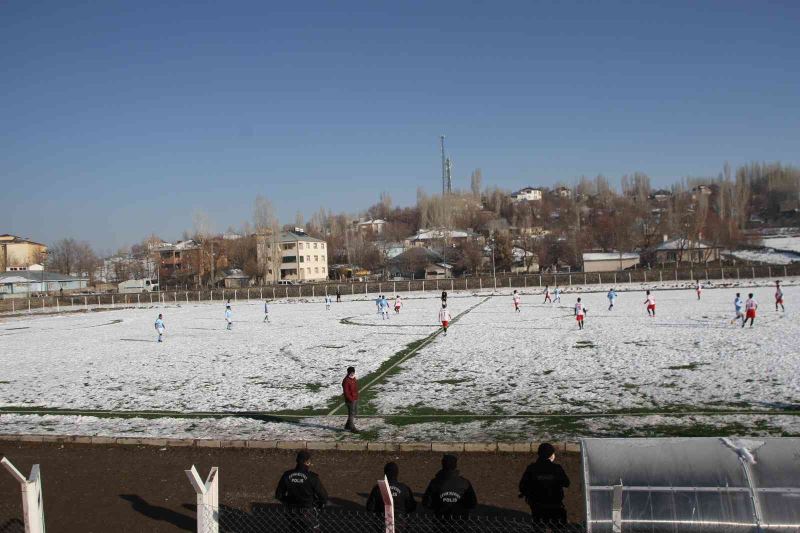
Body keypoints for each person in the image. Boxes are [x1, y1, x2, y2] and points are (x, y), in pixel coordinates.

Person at [275, 451, 328, 532]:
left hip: (292, 510)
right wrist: (319, 505)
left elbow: (279, 495)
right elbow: (323, 496)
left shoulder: (287, 475)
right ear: (307, 462)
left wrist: (288, 502)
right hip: (308, 510)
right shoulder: (312, 477)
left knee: (295, 529)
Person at [519, 442, 570, 524]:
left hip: (537, 506)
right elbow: (567, 483)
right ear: (551, 455)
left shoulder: (531, 468)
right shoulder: (557, 468)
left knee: (538, 525)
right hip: (555, 505)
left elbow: (522, 486)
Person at [423, 455, 477, 519]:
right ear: (455, 465)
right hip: (460, 521)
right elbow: (472, 503)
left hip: (440, 521)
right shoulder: (465, 483)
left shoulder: (435, 482)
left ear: (442, 465)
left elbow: (427, 503)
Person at [342, 366, 359, 432]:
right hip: (350, 400)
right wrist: (351, 399)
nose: (352, 374)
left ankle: (347, 425)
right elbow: (346, 392)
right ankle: (352, 428)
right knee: (351, 414)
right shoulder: (346, 381)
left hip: (355, 398)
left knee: (354, 413)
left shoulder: (353, 378)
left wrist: (356, 396)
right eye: (351, 372)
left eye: (353, 372)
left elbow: (355, 388)